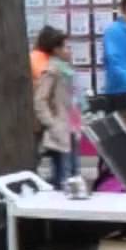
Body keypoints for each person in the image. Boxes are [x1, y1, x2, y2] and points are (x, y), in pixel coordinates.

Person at [32, 28, 80, 189]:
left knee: (74, 171)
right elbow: (40, 100)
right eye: (66, 47)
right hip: (61, 128)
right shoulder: (52, 70)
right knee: (63, 175)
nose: (70, 51)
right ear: (56, 50)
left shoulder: (67, 69)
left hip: (73, 127)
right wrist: (52, 124)